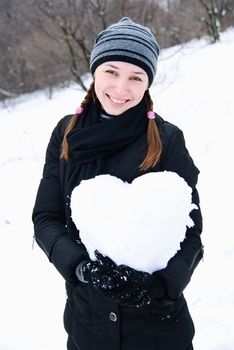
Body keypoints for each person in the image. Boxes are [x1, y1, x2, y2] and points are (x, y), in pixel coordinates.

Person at [32, 17, 203, 350]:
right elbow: (46, 219)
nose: (121, 89)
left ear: (147, 83)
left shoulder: (167, 140)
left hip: (158, 331)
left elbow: (191, 233)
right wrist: (82, 269)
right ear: (94, 71)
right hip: (88, 328)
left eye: (136, 77)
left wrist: (160, 286)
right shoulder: (66, 134)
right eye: (111, 71)